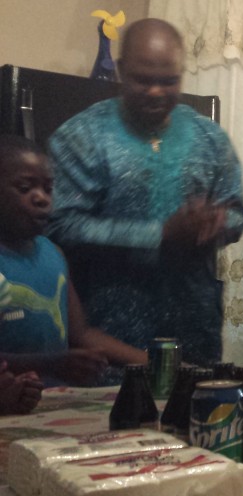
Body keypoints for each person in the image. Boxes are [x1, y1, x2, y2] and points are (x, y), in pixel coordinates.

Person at [47, 18, 243, 367]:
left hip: (194, 330)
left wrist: (215, 223)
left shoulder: (209, 137)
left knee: (197, 416)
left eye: (168, 81)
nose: (156, 91)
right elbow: (58, 226)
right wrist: (159, 235)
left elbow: (237, 212)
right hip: (109, 339)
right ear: (121, 71)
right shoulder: (81, 136)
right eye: (144, 80)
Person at [0, 136, 148, 388]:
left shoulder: (53, 254)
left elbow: (82, 334)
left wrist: (153, 361)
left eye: (48, 188)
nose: (41, 199)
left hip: (54, 404)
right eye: (25, 188)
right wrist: (52, 363)